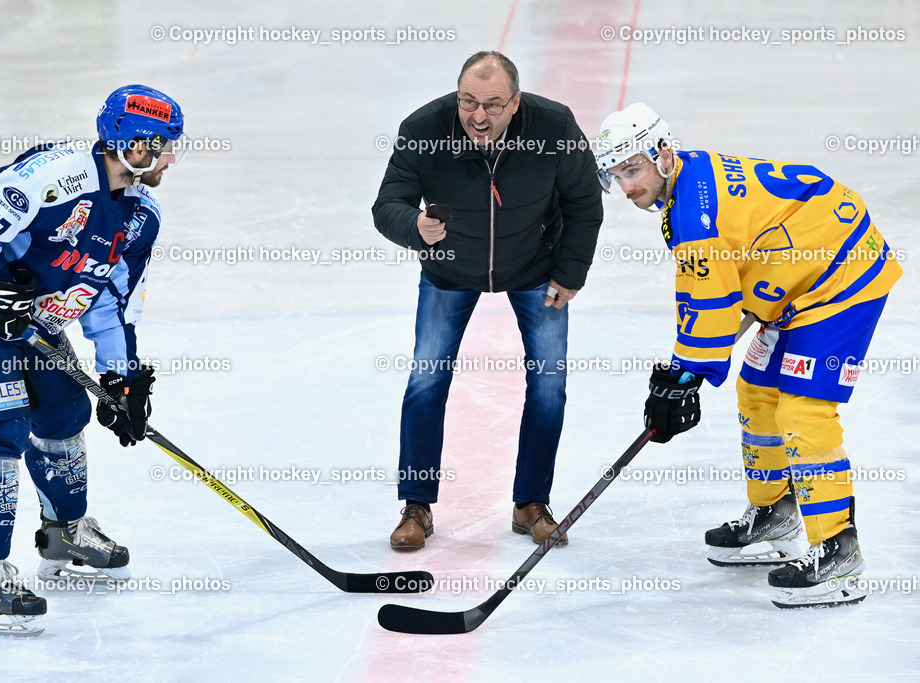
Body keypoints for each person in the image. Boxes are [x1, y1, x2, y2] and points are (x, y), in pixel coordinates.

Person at [595, 102, 902, 608]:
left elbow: (712, 305)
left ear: (662, 154)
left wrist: (683, 377)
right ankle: (776, 514)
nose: (626, 187)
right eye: (616, 174)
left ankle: (838, 551)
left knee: (804, 409)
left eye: (632, 169)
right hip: (795, 276)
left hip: (840, 277)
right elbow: (723, 289)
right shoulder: (687, 178)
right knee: (756, 390)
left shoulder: (696, 215)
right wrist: (682, 373)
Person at [0, 84, 186, 636]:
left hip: (29, 312)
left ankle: (64, 534)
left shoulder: (140, 216)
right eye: (162, 145)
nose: (171, 158)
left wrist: (122, 378)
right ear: (130, 144)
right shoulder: (53, 175)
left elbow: (111, 301)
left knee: (63, 414)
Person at [372, 51, 603, 550]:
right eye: (468, 102)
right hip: (449, 269)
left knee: (548, 386)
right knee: (426, 381)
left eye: (493, 105)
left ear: (516, 103)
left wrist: (569, 273)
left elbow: (585, 204)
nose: (479, 116)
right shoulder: (424, 128)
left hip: (535, 269)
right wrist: (413, 227)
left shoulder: (554, 126)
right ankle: (416, 504)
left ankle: (530, 503)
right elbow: (386, 203)